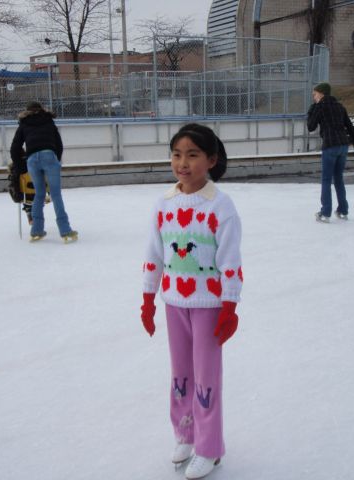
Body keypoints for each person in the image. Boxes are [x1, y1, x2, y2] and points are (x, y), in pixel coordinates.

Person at [140, 123, 243, 480]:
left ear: (211, 160)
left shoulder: (220, 206)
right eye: (177, 154)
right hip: (174, 303)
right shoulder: (164, 204)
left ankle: (209, 448)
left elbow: (230, 260)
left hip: (209, 306)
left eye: (193, 155)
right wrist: (148, 299)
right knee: (181, 374)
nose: (183, 163)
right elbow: (154, 253)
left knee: (205, 377)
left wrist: (229, 306)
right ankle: (185, 433)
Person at [9, 101, 77, 243]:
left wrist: (21, 167)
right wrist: (56, 160)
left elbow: (15, 148)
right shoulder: (48, 121)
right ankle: (65, 230)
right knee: (55, 194)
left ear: (27, 111)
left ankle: (36, 230)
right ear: (41, 109)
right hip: (49, 155)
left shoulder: (24, 124)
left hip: (32, 160)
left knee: (39, 195)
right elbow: (59, 144)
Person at [306, 82, 354, 223]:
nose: (313, 97)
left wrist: (311, 111)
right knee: (338, 178)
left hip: (330, 146)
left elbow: (311, 127)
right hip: (343, 146)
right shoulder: (339, 106)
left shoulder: (320, 107)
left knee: (326, 179)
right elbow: (350, 127)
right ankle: (343, 210)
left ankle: (325, 212)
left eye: (314, 94)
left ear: (321, 93)